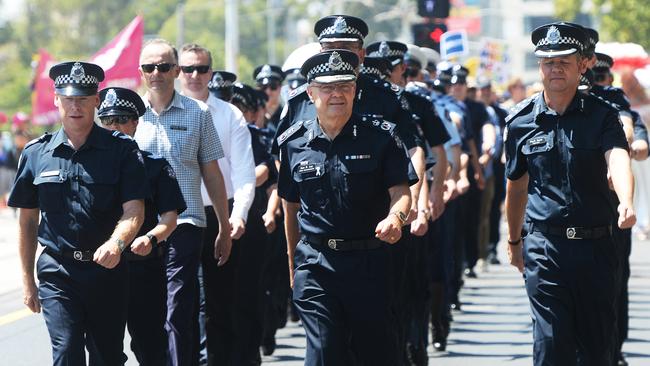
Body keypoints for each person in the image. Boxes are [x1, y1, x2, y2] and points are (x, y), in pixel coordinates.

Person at [505, 22, 636, 365]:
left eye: (564, 61)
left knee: (596, 349)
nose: (555, 68)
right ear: (540, 67)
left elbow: (618, 158)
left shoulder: (602, 116)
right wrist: (514, 241)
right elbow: (516, 186)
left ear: (582, 65)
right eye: (549, 62)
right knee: (551, 344)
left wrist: (626, 201)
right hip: (546, 248)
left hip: (595, 248)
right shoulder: (520, 122)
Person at [278, 49, 415, 365]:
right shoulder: (294, 143)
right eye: (327, 88)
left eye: (344, 86)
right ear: (311, 93)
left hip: (369, 262)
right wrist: (292, 264)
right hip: (316, 264)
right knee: (325, 352)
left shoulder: (381, 136)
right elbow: (290, 206)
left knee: (377, 353)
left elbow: (401, 190)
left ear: (355, 90)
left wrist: (396, 217)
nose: (336, 94)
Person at [8, 61, 148, 365]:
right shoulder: (36, 154)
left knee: (106, 357)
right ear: (57, 99)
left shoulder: (122, 150)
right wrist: (28, 280)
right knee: (67, 352)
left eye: (83, 98)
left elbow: (134, 209)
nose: (76, 106)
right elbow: (28, 219)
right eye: (69, 98)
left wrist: (117, 243)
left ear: (96, 100)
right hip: (58, 273)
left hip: (107, 272)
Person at [134, 38, 232, 366]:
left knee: (177, 307)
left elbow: (212, 172)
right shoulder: (130, 116)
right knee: (150, 310)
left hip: (188, 223)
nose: (157, 73)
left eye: (164, 66)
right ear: (141, 72)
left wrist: (224, 226)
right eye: (149, 67)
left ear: (176, 71)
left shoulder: (198, 113)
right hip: (141, 228)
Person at [95, 86, 187, 365]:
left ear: (136, 123)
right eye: (108, 120)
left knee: (150, 346)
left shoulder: (155, 167)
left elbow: (170, 219)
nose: (115, 127)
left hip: (143, 267)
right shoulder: (89, 167)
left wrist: (151, 238)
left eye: (122, 119)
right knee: (102, 350)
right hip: (100, 270)